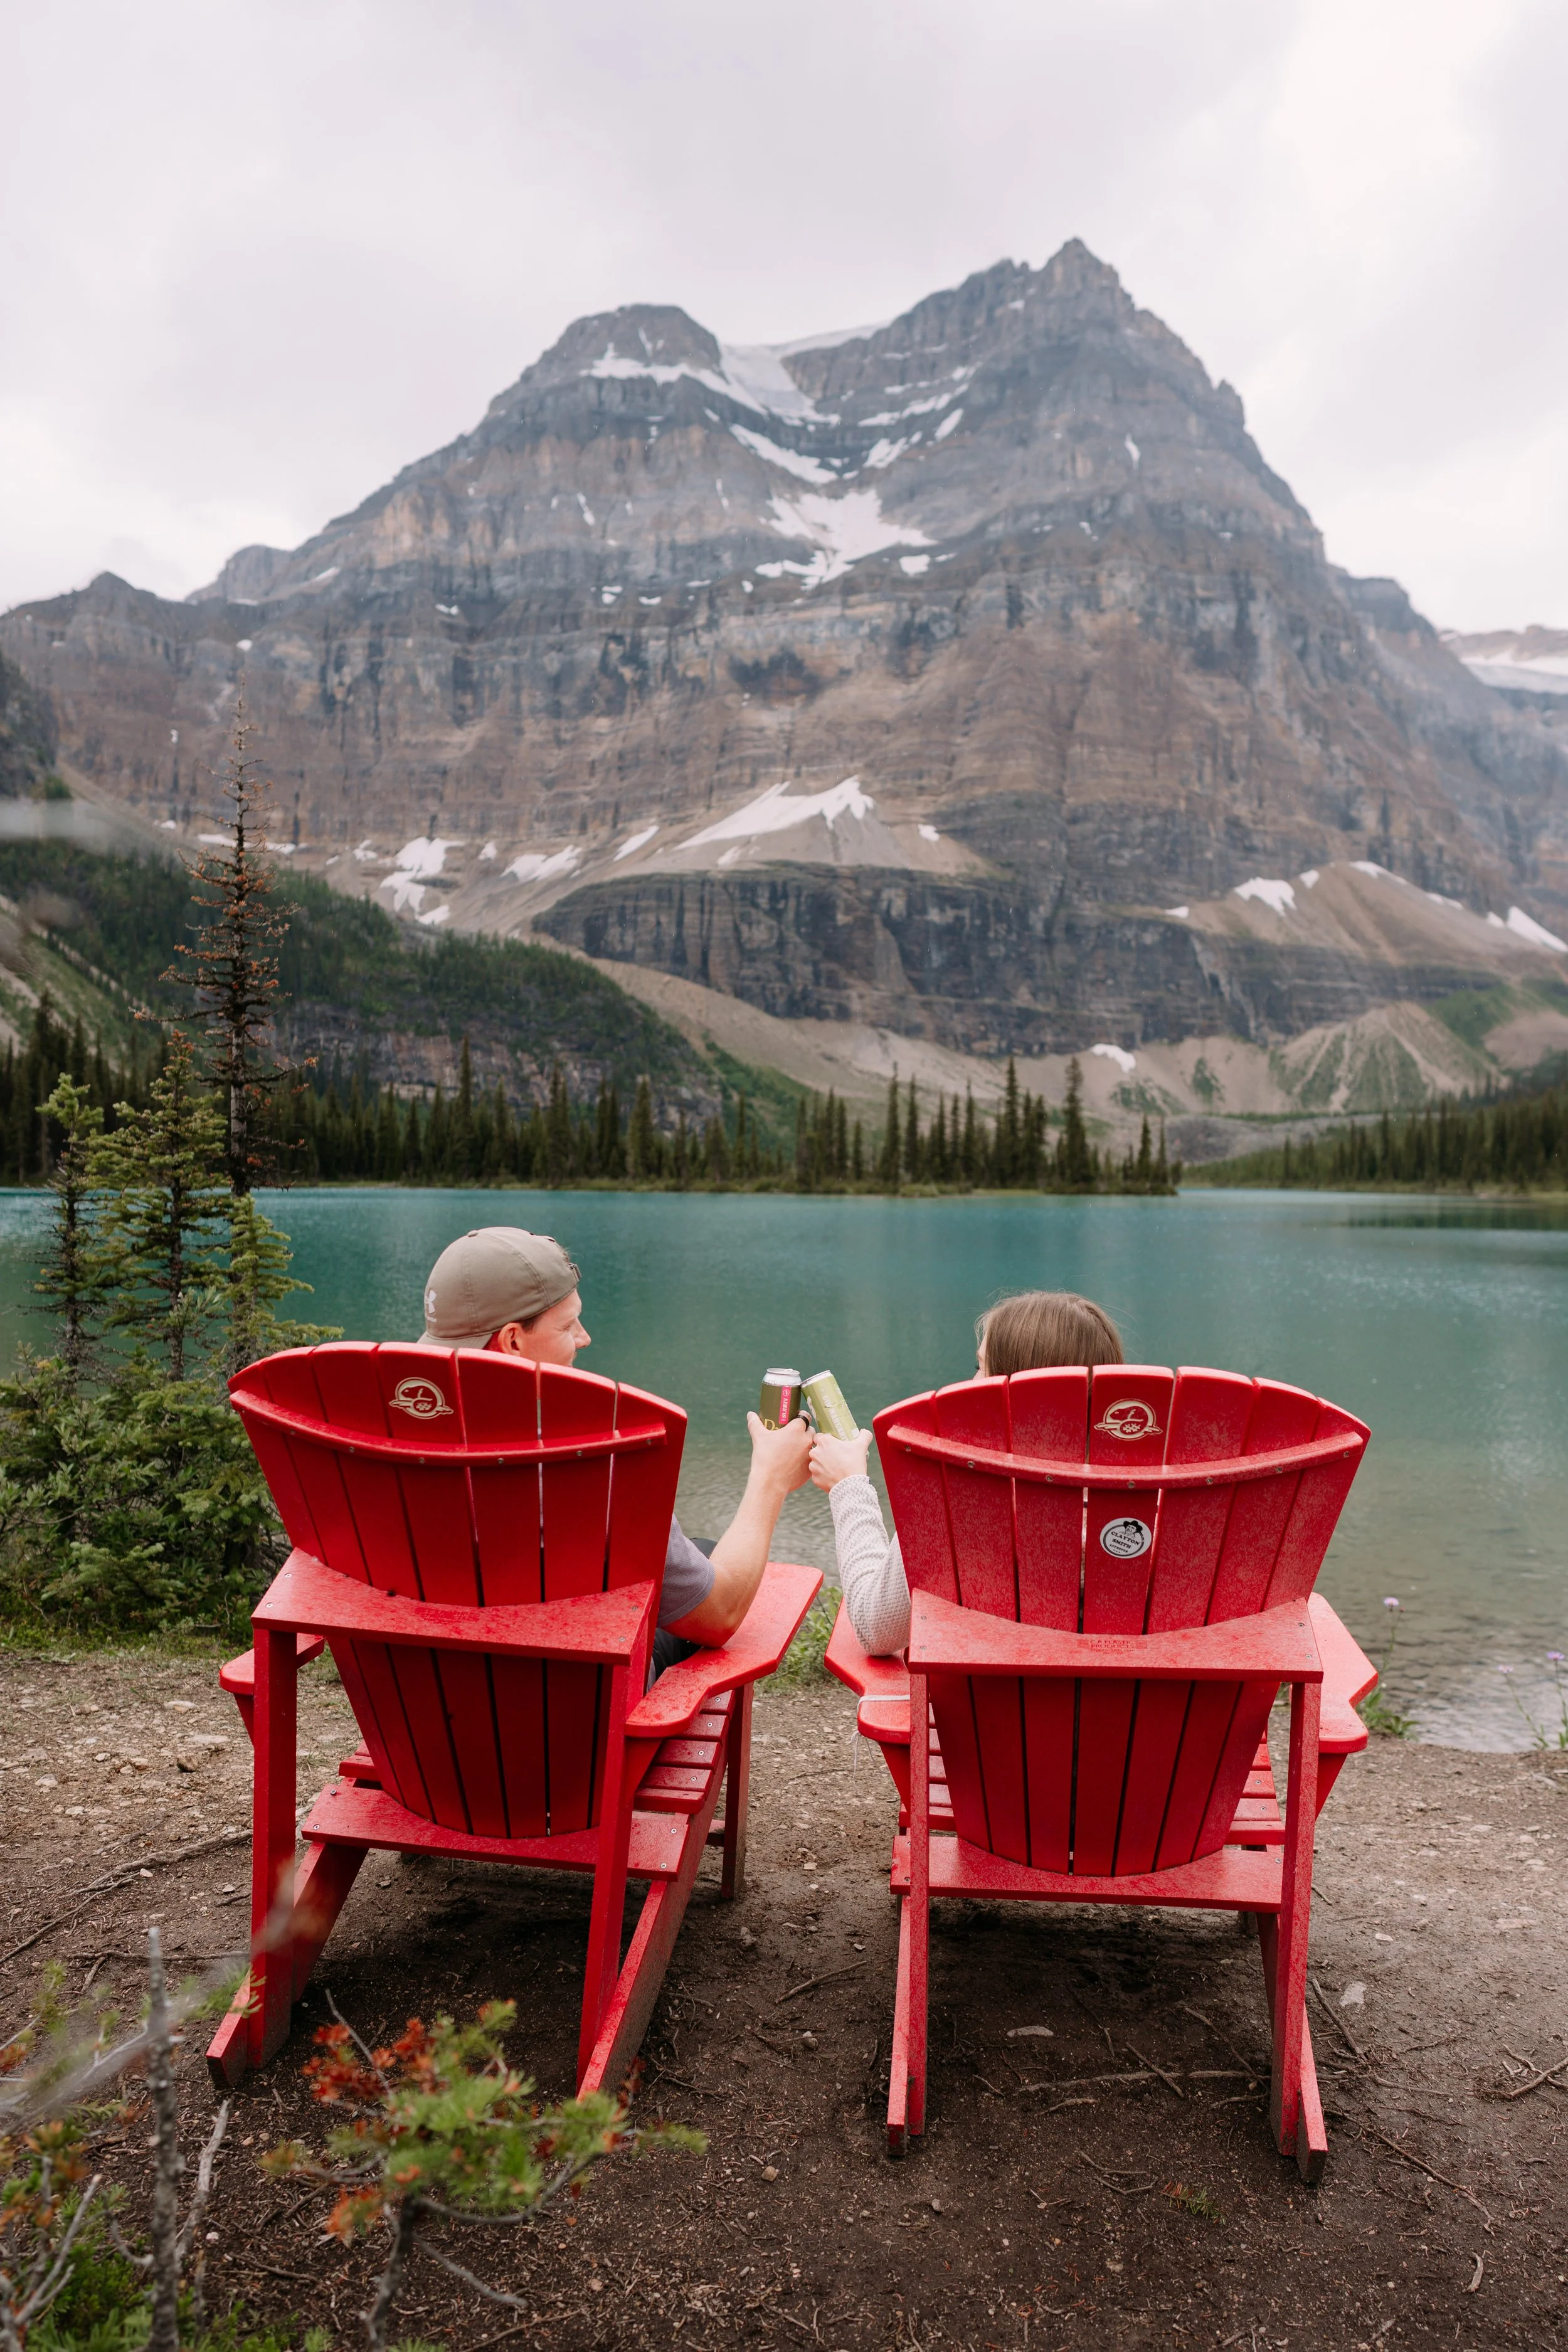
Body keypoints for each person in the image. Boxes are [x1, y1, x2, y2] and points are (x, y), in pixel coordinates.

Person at [420, 1226, 811, 1671]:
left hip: (425, 1702)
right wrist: (771, 1478)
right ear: (513, 1341)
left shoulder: (380, 1452)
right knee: (705, 1594)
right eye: (568, 1326)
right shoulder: (592, 1465)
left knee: (700, 1550)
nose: (584, 1338)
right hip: (575, 1714)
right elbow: (719, 1615)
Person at [807, 1289, 1125, 1656]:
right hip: (1134, 1711)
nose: (970, 1383)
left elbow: (876, 1628)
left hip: (986, 1710)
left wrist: (848, 1486)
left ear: (1011, 1389)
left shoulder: (954, 1489)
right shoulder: (1152, 1501)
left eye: (981, 1367)